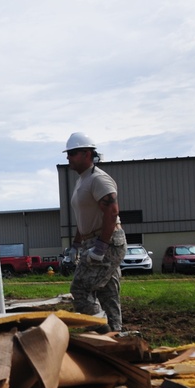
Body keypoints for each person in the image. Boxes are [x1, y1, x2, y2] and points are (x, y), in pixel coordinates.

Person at [63, 132, 127, 331]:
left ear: (87, 154)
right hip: (94, 240)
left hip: (106, 240)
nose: (68, 157)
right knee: (108, 294)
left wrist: (100, 247)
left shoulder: (99, 179)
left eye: (73, 153)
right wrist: (75, 246)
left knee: (80, 290)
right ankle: (116, 337)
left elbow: (112, 211)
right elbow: (85, 218)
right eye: (68, 153)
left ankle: (102, 331)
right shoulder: (82, 181)